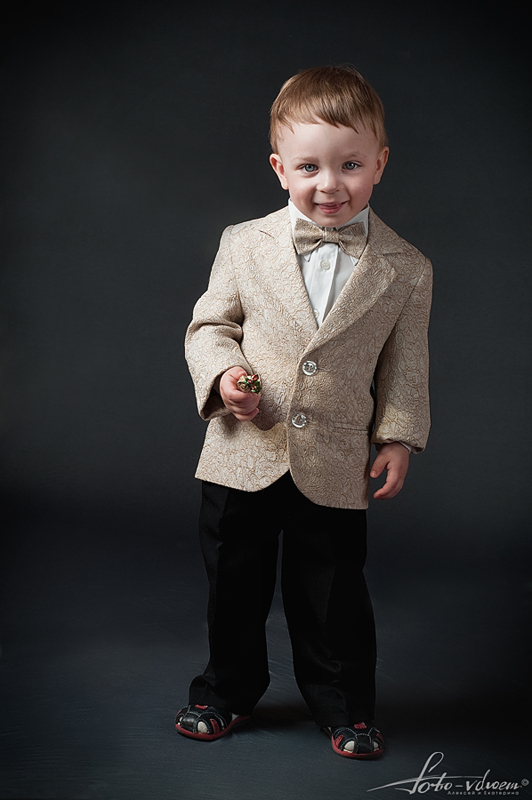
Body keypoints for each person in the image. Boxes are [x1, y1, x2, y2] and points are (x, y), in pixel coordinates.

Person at [175, 65, 432, 759]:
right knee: (235, 584)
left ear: (380, 164)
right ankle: (224, 692)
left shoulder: (407, 268)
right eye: (310, 167)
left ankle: (344, 704)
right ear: (279, 169)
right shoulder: (243, 242)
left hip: (337, 454)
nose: (330, 184)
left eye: (351, 164)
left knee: (333, 590)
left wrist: (399, 438)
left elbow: (405, 365)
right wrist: (224, 377)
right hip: (244, 448)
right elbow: (209, 327)